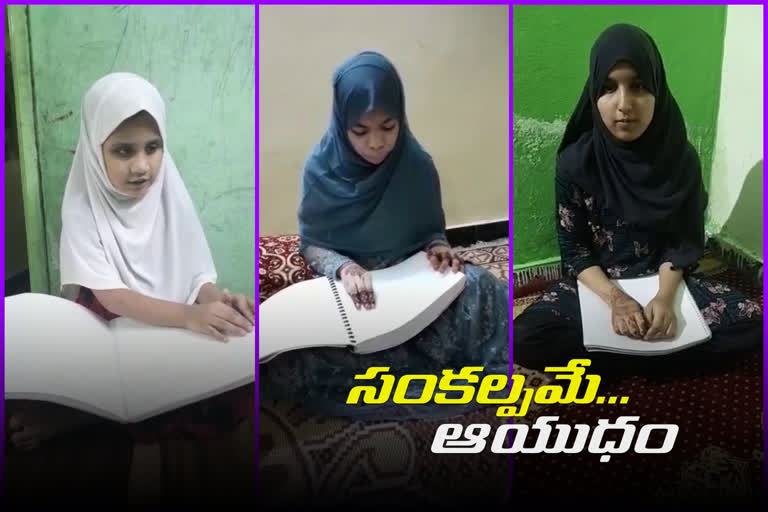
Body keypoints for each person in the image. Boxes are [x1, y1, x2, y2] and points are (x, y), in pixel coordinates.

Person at [8, 72, 256, 451]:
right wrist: (188, 316)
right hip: (107, 318)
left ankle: (94, 414)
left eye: (152, 147)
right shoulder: (82, 206)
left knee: (232, 381)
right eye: (124, 151)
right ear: (96, 149)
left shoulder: (168, 191)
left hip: (172, 312)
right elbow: (112, 296)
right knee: (69, 380)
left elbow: (194, 275)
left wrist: (214, 301)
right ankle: (79, 414)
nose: (142, 166)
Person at [259, 51, 510, 421]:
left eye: (388, 127)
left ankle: (410, 368)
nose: (376, 143)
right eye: (360, 131)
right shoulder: (320, 168)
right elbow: (311, 244)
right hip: (353, 294)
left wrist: (439, 246)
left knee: (483, 287)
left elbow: (430, 231)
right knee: (290, 358)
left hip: (412, 285)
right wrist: (343, 267)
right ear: (341, 122)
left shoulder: (416, 164)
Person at [513, 24, 762, 373]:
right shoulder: (575, 163)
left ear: (658, 90)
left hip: (663, 279)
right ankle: (658, 355)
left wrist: (664, 297)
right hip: (599, 285)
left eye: (639, 86)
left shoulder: (681, 159)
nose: (624, 104)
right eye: (609, 88)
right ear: (593, 94)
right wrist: (618, 301)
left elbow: (683, 243)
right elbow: (575, 253)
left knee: (752, 322)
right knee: (524, 336)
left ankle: (619, 356)